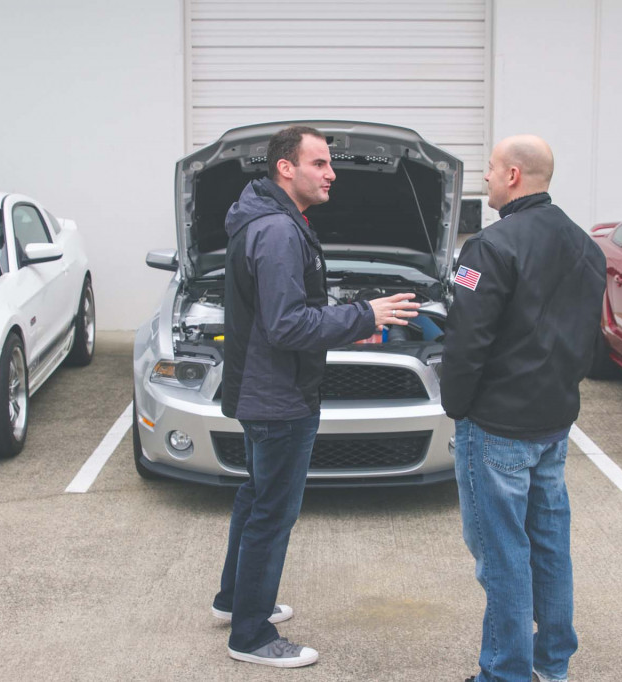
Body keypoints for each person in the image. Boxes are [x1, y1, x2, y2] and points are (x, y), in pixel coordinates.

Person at [212, 125, 420, 668]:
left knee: (256, 497)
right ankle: (251, 636)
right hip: (278, 398)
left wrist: (350, 318)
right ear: (286, 168)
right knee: (272, 513)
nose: (332, 174)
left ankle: (235, 600)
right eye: (320, 163)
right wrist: (364, 316)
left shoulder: (267, 219)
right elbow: (287, 325)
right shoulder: (278, 231)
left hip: (263, 390)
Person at [441, 135, 607, 682]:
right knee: (549, 545)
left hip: (496, 427)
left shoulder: (488, 248)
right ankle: (551, 663)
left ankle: (504, 673)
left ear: (513, 175)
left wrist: (457, 405)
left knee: (501, 553)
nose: (485, 178)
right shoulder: (585, 246)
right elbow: (587, 339)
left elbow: (466, 338)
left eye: (490, 169)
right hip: (552, 423)